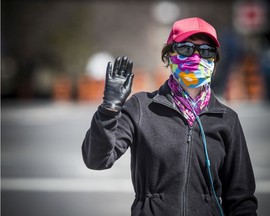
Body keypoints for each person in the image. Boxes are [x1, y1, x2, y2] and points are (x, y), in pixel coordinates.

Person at [82, 17, 258, 216]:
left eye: (206, 51)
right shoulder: (141, 107)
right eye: (186, 49)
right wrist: (109, 109)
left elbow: (241, 199)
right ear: (169, 56)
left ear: (214, 62)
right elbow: (96, 160)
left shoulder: (227, 119)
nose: (196, 57)